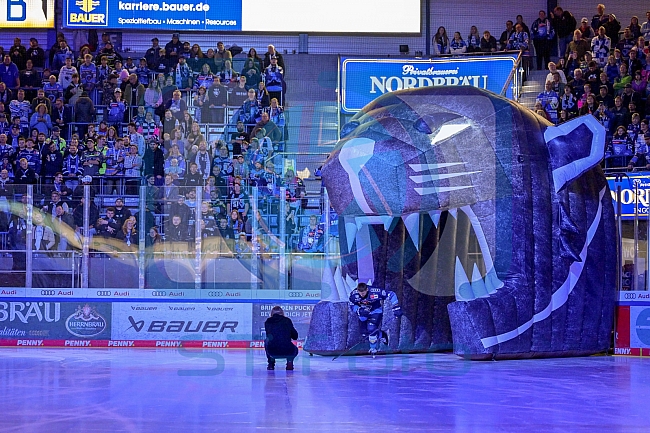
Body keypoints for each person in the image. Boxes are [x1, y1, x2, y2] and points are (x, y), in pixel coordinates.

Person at [348, 282, 403, 355]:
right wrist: (358, 310)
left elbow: (391, 294)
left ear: (367, 289)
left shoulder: (375, 291)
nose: (362, 295)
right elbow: (351, 304)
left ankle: (373, 348)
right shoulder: (354, 295)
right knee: (364, 333)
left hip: (375, 311)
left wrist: (396, 307)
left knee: (371, 328)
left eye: (363, 293)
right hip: (364, 313)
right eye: (360, 293)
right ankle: (382, 335)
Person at [264, 306, 299, 371]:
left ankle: (271, 364)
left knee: (266, 341)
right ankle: (289, 361)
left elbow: (269, 336)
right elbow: (295, 336)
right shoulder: (287, 320)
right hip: (288, 351)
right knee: (294, 348)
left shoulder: (268, 321)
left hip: (272, 351)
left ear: (272, 313)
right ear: (282, 313)